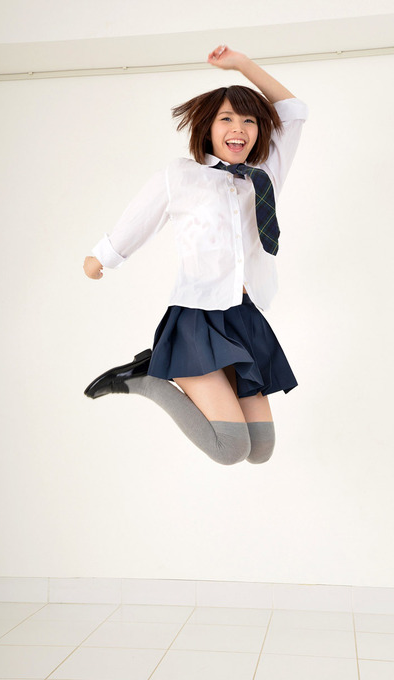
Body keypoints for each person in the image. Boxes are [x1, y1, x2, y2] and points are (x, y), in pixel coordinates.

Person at [83, 44, 309, 466]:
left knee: (260, 451)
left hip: (246, 317)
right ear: (207, 128)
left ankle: (153, 370)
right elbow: (141, 217)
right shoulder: (182, 175)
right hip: (198, 318)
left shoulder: (264, 177)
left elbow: (293, 112)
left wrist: (242, 64)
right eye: (227, 119)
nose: (238, 128)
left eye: (249, 120)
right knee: (231, 449)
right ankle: (147, 379)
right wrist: (102, 257)